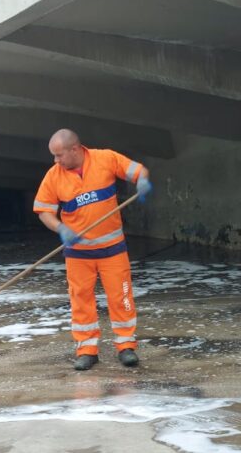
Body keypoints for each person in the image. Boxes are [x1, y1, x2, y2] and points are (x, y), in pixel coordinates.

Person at [33, 129, 152, 371]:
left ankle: (126, 346)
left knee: (121, 297)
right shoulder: (54, 176)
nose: (56, 160)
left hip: (113, 249)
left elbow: (138, 170)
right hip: (78, 253)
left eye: (59, 155)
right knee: (81, 300)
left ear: (75, 149)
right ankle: (87, 350)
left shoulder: (105, 159)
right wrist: (60, 228)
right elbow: (44, 211)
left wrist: (142, 180)